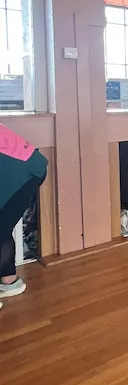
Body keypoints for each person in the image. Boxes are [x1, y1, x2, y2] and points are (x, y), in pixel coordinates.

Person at [0, 123, 48, 306]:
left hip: (24, 170)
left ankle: (10, 281)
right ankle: (9, 281)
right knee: (2, 227)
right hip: (25, 167)